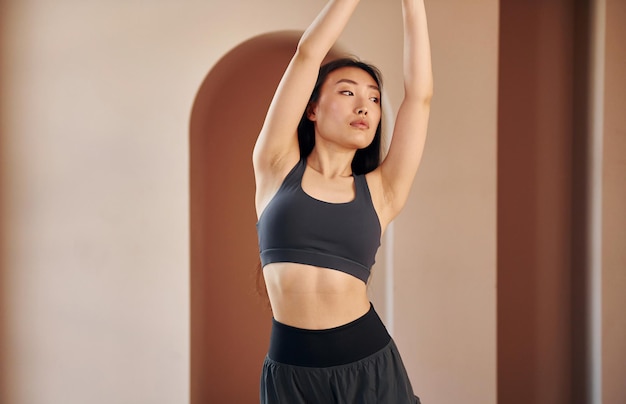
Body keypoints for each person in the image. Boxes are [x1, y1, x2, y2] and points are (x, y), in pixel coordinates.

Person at [253, 0, 432, 402]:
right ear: (312, 108)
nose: (363, 105)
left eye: (372, 99)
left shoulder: (382, 191)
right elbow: (307, 55)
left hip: (368, 367)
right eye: (348, 92)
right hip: (291, 375)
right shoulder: (276, 166)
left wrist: (413, 4)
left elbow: (419, 97)